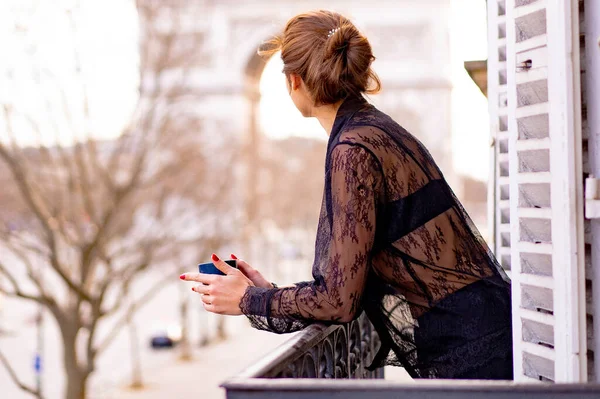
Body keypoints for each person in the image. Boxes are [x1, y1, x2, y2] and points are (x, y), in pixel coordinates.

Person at [179, 10, 513, 380]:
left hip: (470, 354)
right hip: (484, 333)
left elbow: (338, 302)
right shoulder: (378, 130)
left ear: (294, 81)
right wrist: (269, 294)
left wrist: (248, 299)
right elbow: (344, 284)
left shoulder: (352, 150)